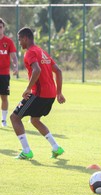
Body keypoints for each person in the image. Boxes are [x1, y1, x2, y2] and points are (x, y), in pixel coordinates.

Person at [10, 27, 66, 159]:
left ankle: (26, 151)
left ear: (25, 38)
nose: (19, 43)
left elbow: (37, 70)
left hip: (38, 94)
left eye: (19, 40)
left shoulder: (30, 52)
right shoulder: (42, 52)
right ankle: (56, 147)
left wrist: (28, 88)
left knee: (14, 117)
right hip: (50, 95)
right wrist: (59, 93)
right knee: (35, 120)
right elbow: (58, 71)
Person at [0, 18, 18, 127]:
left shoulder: (8, 41)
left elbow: (13, 56)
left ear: (3, 28)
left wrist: (15, 66)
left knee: (4, 97)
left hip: (4, 74)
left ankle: (3, 120)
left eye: (0, 27)